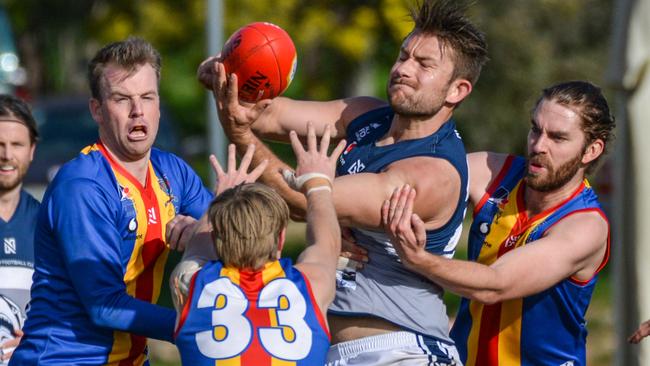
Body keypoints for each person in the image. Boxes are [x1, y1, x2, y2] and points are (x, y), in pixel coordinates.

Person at [197, 0, 488, 363]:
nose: (403, 69)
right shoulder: (366, 115)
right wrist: (231, 73)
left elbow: (305, 202)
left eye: (423, 64)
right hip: (333, 350)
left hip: (401, 351)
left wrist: (241, 134)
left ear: (456, 91)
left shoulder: (432, 174)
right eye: (403, 56)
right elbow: (266, 114)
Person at [10, 37, 213, 365]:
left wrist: (217, 222)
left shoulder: (172, 171)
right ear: (97, 110)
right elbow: (105, 305)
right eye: (122, 99)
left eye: (147, 97)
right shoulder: (83, 185)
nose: (138, 111)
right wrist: (194, 327)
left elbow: (240, 242)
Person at [382, 80, 614, 365]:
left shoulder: (585, 226)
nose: (538, 145)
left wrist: (418, 259)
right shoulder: (495, 172)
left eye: (558, 138)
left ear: (591, 151)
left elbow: (496, 285)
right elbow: (403, 182)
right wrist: (345, 219)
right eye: (535, 129)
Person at [173, 124, 346, 365]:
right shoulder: (312, 285)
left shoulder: (190, 283)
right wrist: (317, 183)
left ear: (216, 238)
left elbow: (199, 246)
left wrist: (222, 196)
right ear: (281, 239)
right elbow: (327, 242)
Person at [0, 95, 40, 365]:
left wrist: (39, 339)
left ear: (32, 150)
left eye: (16, 144)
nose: (6, 155)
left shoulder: (49, 223)